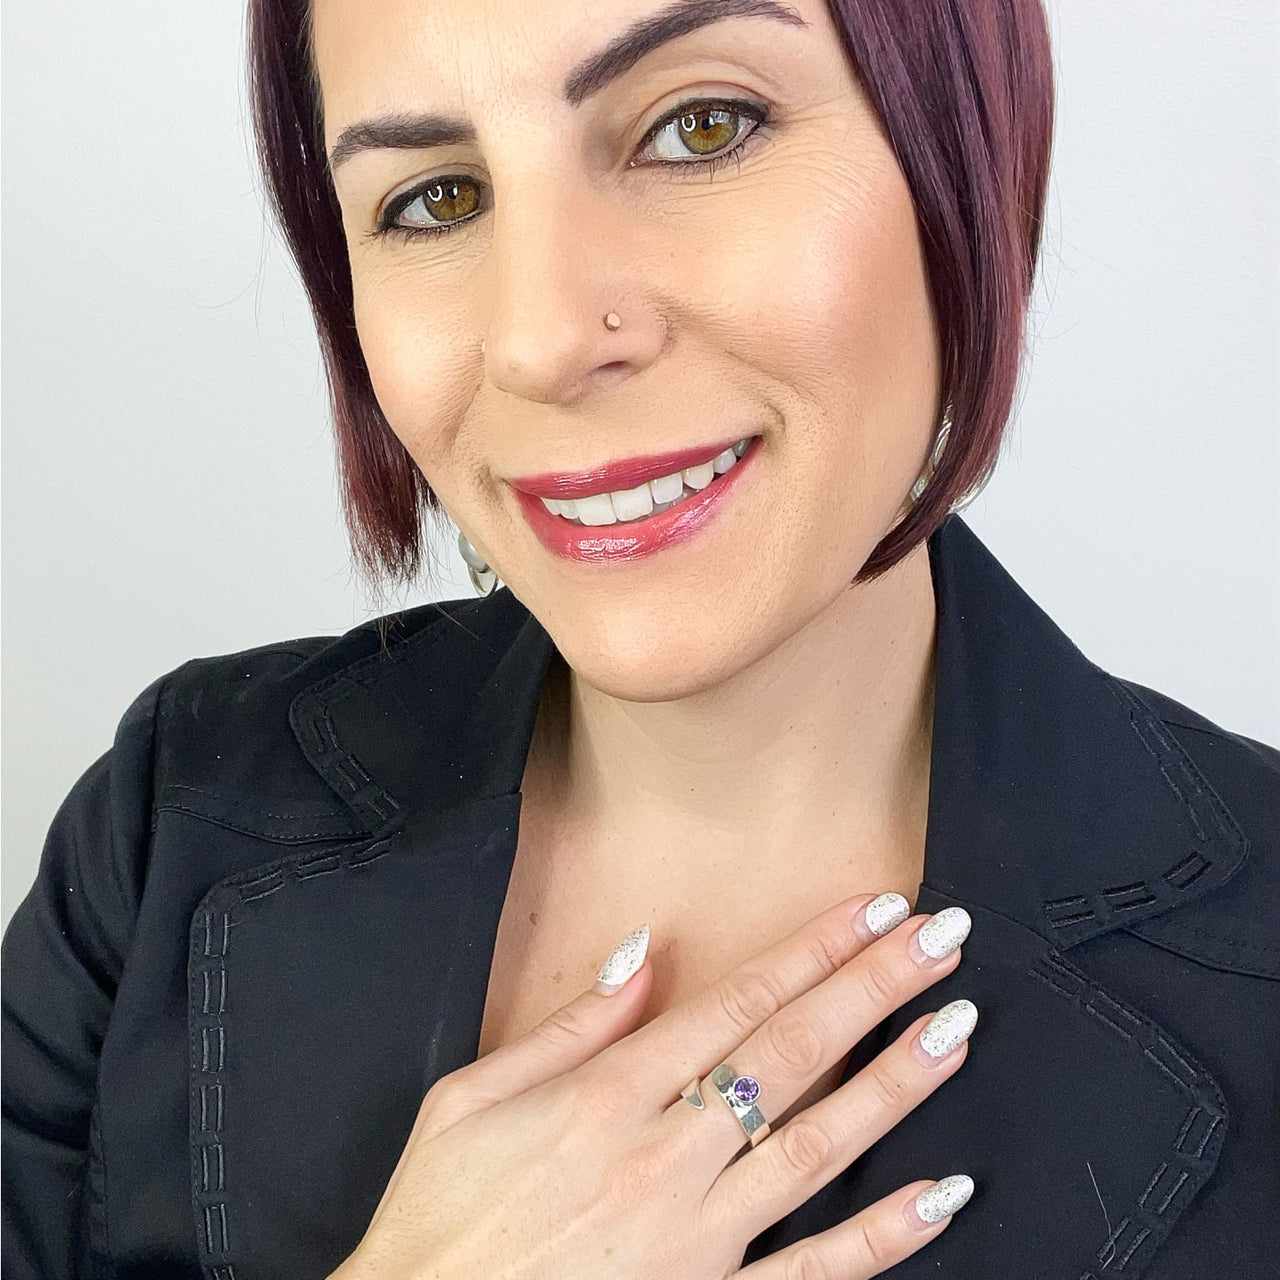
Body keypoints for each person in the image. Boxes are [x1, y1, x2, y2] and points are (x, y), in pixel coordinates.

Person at [3, 0, 1278, 1276]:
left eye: (699, 126)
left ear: (965, 149)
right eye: (435, 201)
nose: (542, 339)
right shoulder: (171, 817)